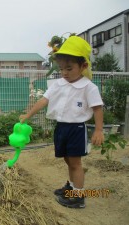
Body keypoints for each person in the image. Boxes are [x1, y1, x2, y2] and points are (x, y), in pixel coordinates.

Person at [19, 36, 105, 209]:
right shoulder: (58, 84)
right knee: (67, 160)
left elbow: (97, 108)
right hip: (61, 127)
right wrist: (27, 115)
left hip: (76, 129)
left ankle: (78, 197)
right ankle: (71, 187)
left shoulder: (89, 87)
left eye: (69, 68)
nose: (64, 72)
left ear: (84, 66)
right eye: (61, 68)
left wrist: (98, 130)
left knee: (76, 163)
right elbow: (43, 100)